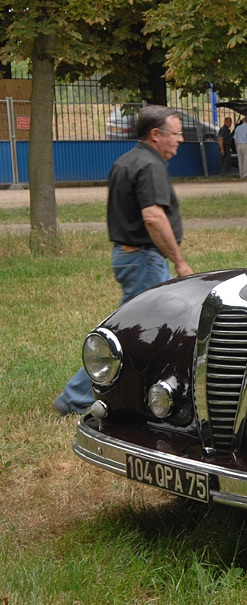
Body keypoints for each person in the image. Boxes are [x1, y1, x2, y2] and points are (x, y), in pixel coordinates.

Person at [52, 105, 195, 415]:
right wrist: (180, 262)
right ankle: (76, 396)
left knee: (141, 330)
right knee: (129, 335)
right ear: (156, 134)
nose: (181, 139)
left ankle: (147, 391)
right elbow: (153, 217)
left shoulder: (127, 161)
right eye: (177, 132)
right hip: (144, 260)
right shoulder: (150, 166)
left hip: (129, 258)